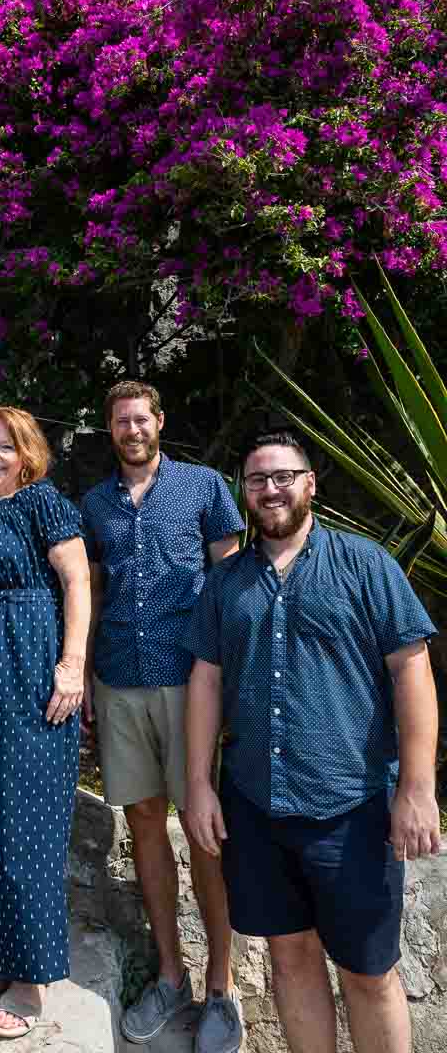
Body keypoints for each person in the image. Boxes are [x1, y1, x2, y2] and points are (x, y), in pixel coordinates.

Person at [184, 429, 442, 1053]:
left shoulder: (366, 565)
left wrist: (416, 787)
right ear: (244, 493)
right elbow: (206, 681)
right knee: (289, 957)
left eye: (282, 476)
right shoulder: (226, 584)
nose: (270, 490)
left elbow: (412, 671)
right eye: (256, 480)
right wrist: (196, 786)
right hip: (255, 804)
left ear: (309, 483)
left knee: (369, 972)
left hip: (349, 808)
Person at [81, 381, 245, 1052]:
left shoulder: (204, 487)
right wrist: (85, 672)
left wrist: (236, 677)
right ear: (111, 429)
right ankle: (170, 974)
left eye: (141, 419)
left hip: (191, 681)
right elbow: (89, 589)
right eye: (121, 421)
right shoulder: (94, 503)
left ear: (160, 422)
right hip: (120, 678)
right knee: (144, 824)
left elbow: (233, 586)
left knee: (204, 830)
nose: (132, 429)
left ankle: (222, 987)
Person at [0, 407, 90, 1040]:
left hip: (31, 661)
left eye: (6, 447)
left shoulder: (44, 503)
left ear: (27, 454)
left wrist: (72, 665)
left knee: (24, 811)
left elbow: (78, 579)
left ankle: (29, 977)